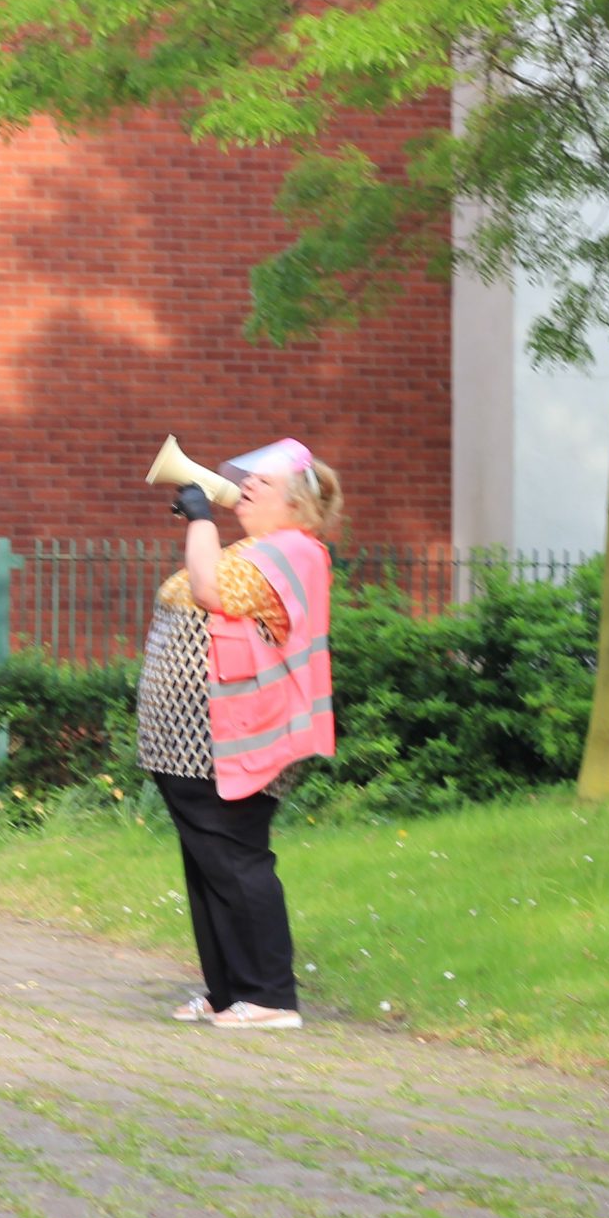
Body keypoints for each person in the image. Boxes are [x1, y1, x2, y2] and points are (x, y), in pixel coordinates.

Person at [137, 439, 341, 1030]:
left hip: (231, 737)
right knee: (208, 863)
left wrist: (201, 519)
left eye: (263, 484)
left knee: (236, 860)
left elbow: (209, 591)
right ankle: (228, 989)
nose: (246, 486)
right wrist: (203, 524)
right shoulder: (259, 548)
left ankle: (271, 996)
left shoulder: (294, 552)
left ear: (297, 505)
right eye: (246, 481)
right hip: (190, 742)